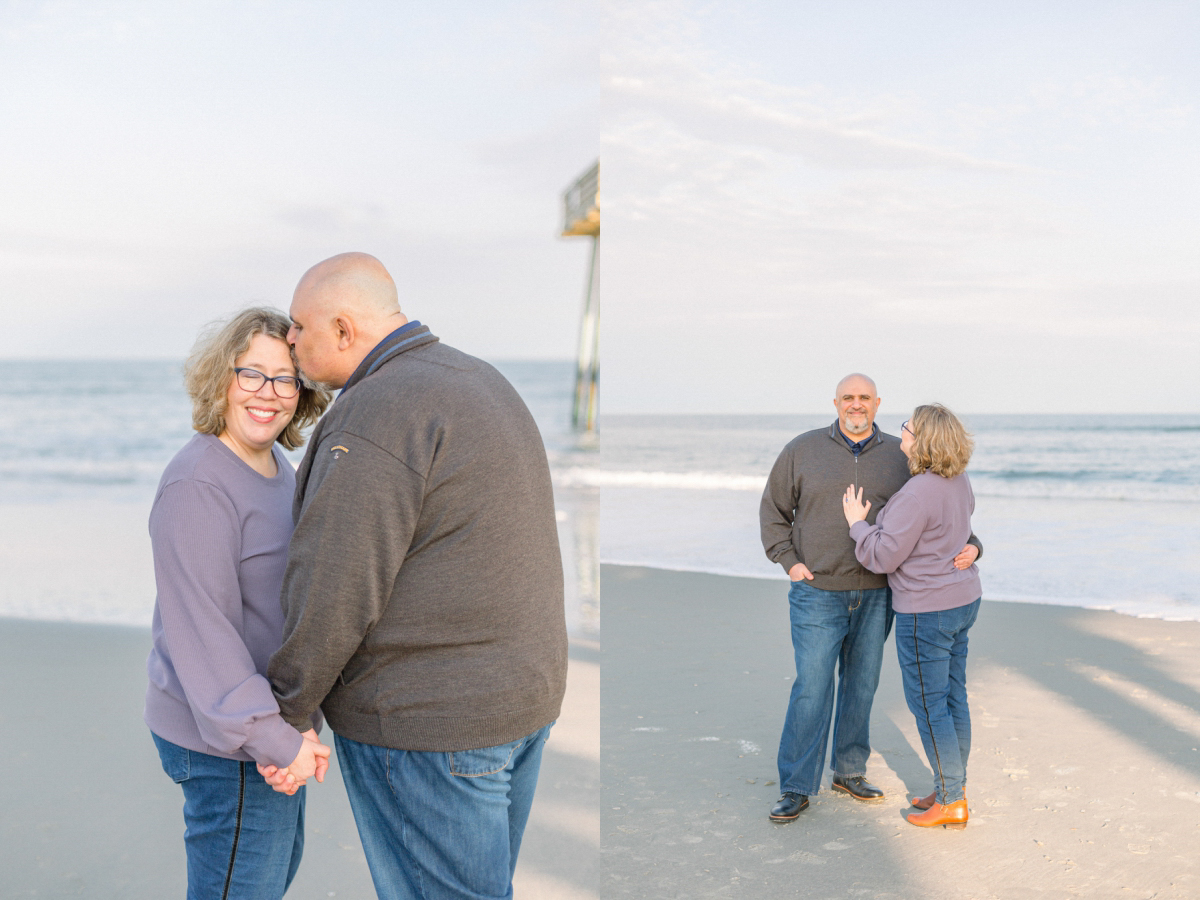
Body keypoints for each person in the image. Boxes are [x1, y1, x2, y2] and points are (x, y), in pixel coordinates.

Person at [259, 252, 568, 900]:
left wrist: (288, 711)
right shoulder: (478, 378)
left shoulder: (377, 409)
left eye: (298, 326)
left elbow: (337, 583)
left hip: (429, 723)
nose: (289, 340)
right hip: (520, 700)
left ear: (343, 330)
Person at [144, 308, 332, 899]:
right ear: (220, 377)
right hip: (228, 746)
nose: (269, 393)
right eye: (252, 374)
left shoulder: (279, 466)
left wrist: (296, 728)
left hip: (267, 729)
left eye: (285, 378)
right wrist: (277, 743)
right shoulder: (199, 483)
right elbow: (206, 633)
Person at [759, 374, 980, 823]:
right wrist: (789, 561)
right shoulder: (802, 450)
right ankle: (797, 786)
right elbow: (773, 512)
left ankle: (849, 771)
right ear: (835, 403)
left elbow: (943, 516)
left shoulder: (905, 460)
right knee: (812, 689)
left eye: (864, 398)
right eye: (848, 398)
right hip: (818, 590)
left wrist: (975, 545)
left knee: (861, 686)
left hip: (880, 595)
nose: (855, 405)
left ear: (877, 404)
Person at [842, 403, 982, 829]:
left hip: (928, 610)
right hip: (963, 601)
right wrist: (975, 548)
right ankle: (949, 786)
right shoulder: (958, 480)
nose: (901, 430)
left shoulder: (917, 492)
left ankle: (952, 799)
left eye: (908, 427)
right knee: (953, 696)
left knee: (929, 704)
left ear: (923, 439)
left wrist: (857, 524)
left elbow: (883, 556)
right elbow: (958, 532)